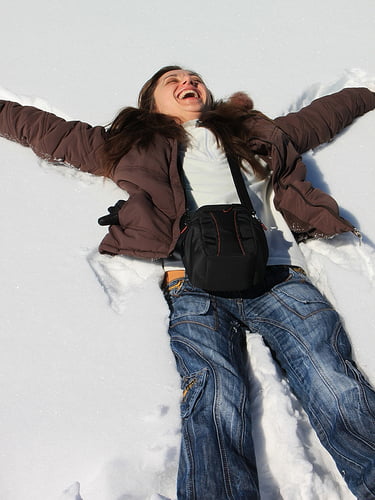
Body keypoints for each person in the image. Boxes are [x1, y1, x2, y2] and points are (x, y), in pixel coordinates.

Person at [1, 65, 374, 500]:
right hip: (192, 282)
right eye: (171, 80)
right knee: (212, 396)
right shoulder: (130, 145)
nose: (187, 82)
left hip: (278, 274)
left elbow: (323, 115)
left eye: (194, 77)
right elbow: (49, 131)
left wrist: (366, 93)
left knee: (334, 380)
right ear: (150, 102)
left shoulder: (253, 131)